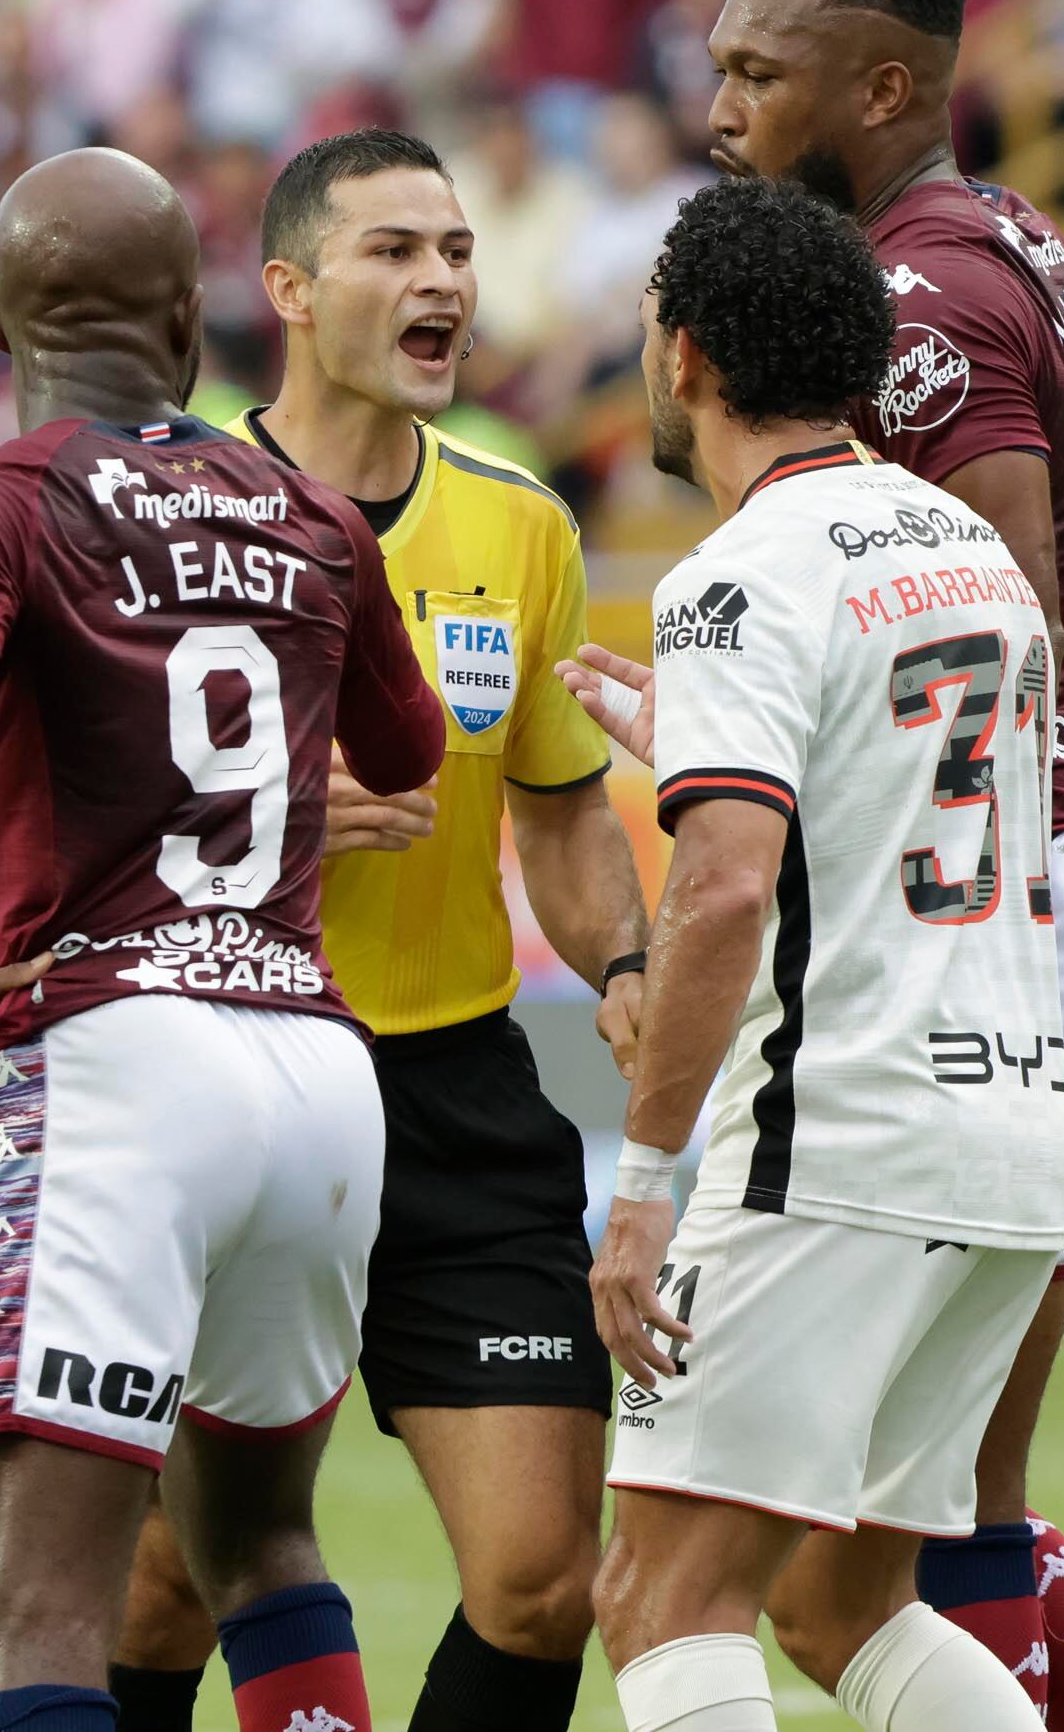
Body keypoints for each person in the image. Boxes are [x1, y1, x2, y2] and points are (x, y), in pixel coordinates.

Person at [0, 147, 448, 1732]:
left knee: (45, 1602)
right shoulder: (309, 511)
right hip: (315, 1069)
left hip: (113, 1055)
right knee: (264, 1542)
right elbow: (409, 746)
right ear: (193, 317)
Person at [700, 0, 1064, 1723]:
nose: (721, 110)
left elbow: (1005, 600)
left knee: (877, 1539)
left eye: (761, 74)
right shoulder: (1030, 250)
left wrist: (969, 867)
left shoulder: (913, 296)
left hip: (1025, 926)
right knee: (903, 1528)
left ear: (887, 84)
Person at [108, 126, 655, 1732]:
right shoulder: (160, 513)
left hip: (453, 1095)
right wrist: (262, 811)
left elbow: (555, 811)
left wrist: (622, 961)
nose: (442, 283)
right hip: (236, 1076)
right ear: (287, 288)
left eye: (458, 252)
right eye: (395, 252)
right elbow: (52, 816)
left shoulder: (521, 525)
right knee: (167, 1577)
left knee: (546, 1581)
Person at [555, 171, 1064, 1732]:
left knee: (658, 1601)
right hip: (1007, 1143)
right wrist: (694, 743)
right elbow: (895, 790)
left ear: (691, 356)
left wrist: (642, 1194)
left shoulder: (734, 573)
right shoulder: (973, 556)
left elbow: (719, 896)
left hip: (832, 1139)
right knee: (844, 1605)